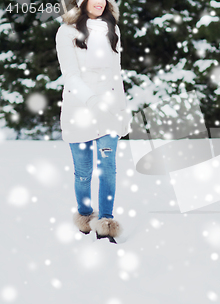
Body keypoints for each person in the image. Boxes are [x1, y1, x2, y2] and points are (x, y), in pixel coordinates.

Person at [56, 0, 131, 243]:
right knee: (83, 173)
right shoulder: (66, 32)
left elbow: (115, 74)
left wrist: (121, 108)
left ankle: (106, 222)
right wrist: (91, 101)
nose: (101, 2)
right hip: (79, 109)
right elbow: (70, 74)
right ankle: (86, 216)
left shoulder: (113, 29)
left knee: (108, 168)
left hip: (108, 109)